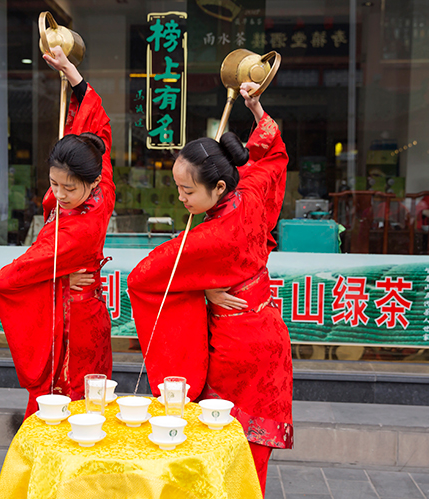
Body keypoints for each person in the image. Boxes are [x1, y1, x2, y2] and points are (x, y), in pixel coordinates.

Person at [127, 82, 292, 496]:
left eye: (187, 190)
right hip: (268, 334)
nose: (180, 198)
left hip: (238, 348)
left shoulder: (212, 238)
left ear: (218, 187)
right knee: (249, 452)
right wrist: (255, 107)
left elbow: (143, 280)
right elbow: (271, 156)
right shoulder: (247, 191)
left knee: (223, 448)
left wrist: (197, 290)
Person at [0, 46, 114, 419]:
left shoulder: (71, 232)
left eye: (68, 188)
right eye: (53, 184)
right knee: (91, 404)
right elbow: (96, 132)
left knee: (65, 405)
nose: (59, 195)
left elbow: (7, 282)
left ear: (91, 183)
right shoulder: (102, 187)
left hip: (70, 328)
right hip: (91, 312)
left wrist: (58, 277)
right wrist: (72, 74)